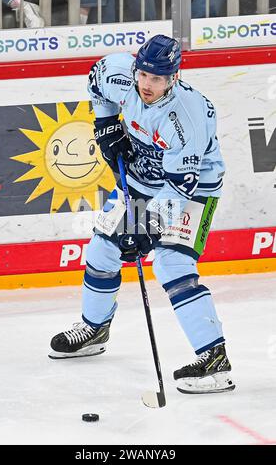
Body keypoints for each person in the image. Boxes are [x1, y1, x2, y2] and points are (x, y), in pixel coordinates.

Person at [49, 34, 235, 395]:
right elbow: (96, 81)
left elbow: (180, 187)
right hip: (139, 181)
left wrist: (147, 227)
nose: (147, 85)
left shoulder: (186, 117)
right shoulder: (119, 73)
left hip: (193, 190)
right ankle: (94, 329)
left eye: (158, 79)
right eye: (144, 75)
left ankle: (215, 359)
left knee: (170, 263)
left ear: (174, 78)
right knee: (103, 249)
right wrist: (105, 126)